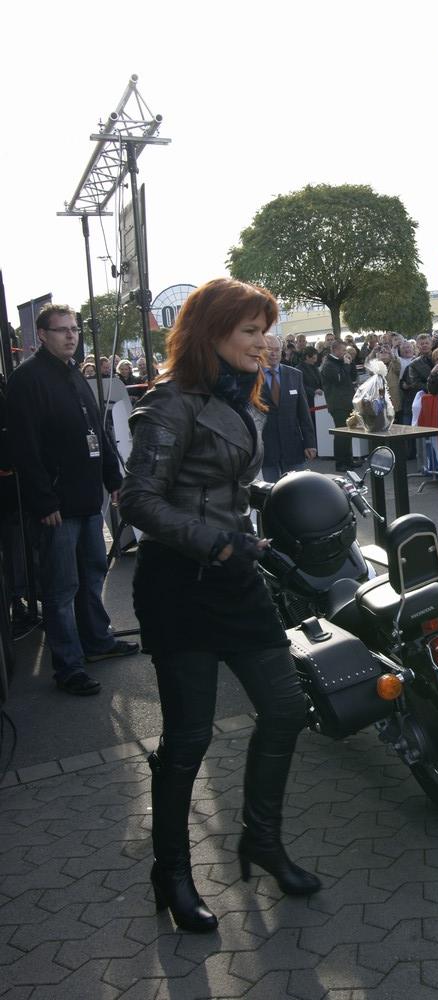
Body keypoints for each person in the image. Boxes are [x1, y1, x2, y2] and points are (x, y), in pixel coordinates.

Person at [119, 278, 321, 936]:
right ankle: (172, 872)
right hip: (179, 584)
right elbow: (138, 500)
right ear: (212, 334)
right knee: (188, 739)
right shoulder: (169, 402)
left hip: (234, 574)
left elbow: (224, 484)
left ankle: (261, 841)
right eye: (250, 331)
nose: (265, 342)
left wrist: (269, 511)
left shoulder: (239, 395)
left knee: (286, 708)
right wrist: (215, 541)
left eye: (266, 329)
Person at [6, 304, 139, 696]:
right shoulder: (27, 379)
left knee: (93, 575)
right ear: (41, 335)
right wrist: (44, 501)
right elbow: (24, 447)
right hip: (57, 508)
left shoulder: (74, 374)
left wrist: (112, 477)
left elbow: (96, 430)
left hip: (87, 499)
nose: (71, 336)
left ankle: (97, 642)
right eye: (62, 330)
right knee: (61, 589)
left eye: (75, 329)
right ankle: (68, 666)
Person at [260, 334, 316, 482]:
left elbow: (303, 413)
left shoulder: (295, 375)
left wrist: (310, 443)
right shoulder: (250, 377)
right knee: (270, 491)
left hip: (293, 445)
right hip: (266, 448)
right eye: (269, 349)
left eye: (277, 349)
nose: (273, 353)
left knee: (297, 489)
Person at [320, 338, 358, 471]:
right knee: (341, 433)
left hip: (347, 402)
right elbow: (338, 379)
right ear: (334, 350)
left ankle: (349, 460)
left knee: (348, 432)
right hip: (338, 404)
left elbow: (352, 377)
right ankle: (340, 463)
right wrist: (346, 365)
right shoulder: (328, 364)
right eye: (342, 350)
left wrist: (351, 363)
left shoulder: (341, 362)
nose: (344, 353)